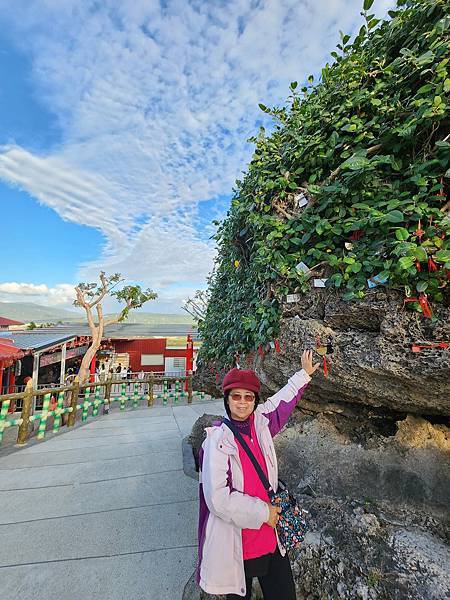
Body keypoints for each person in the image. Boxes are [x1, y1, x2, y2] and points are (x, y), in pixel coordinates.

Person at [196, 349, 319, 599]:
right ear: (227, 399)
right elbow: (217, 498)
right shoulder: (217, 440)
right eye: (236, 396)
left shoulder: (262, 422)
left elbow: (283, 400)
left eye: (248, 397)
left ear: (254, 400)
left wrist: (304, 374)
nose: (242, 402)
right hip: (238, 542)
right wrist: (264, 512)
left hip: (270, 538)